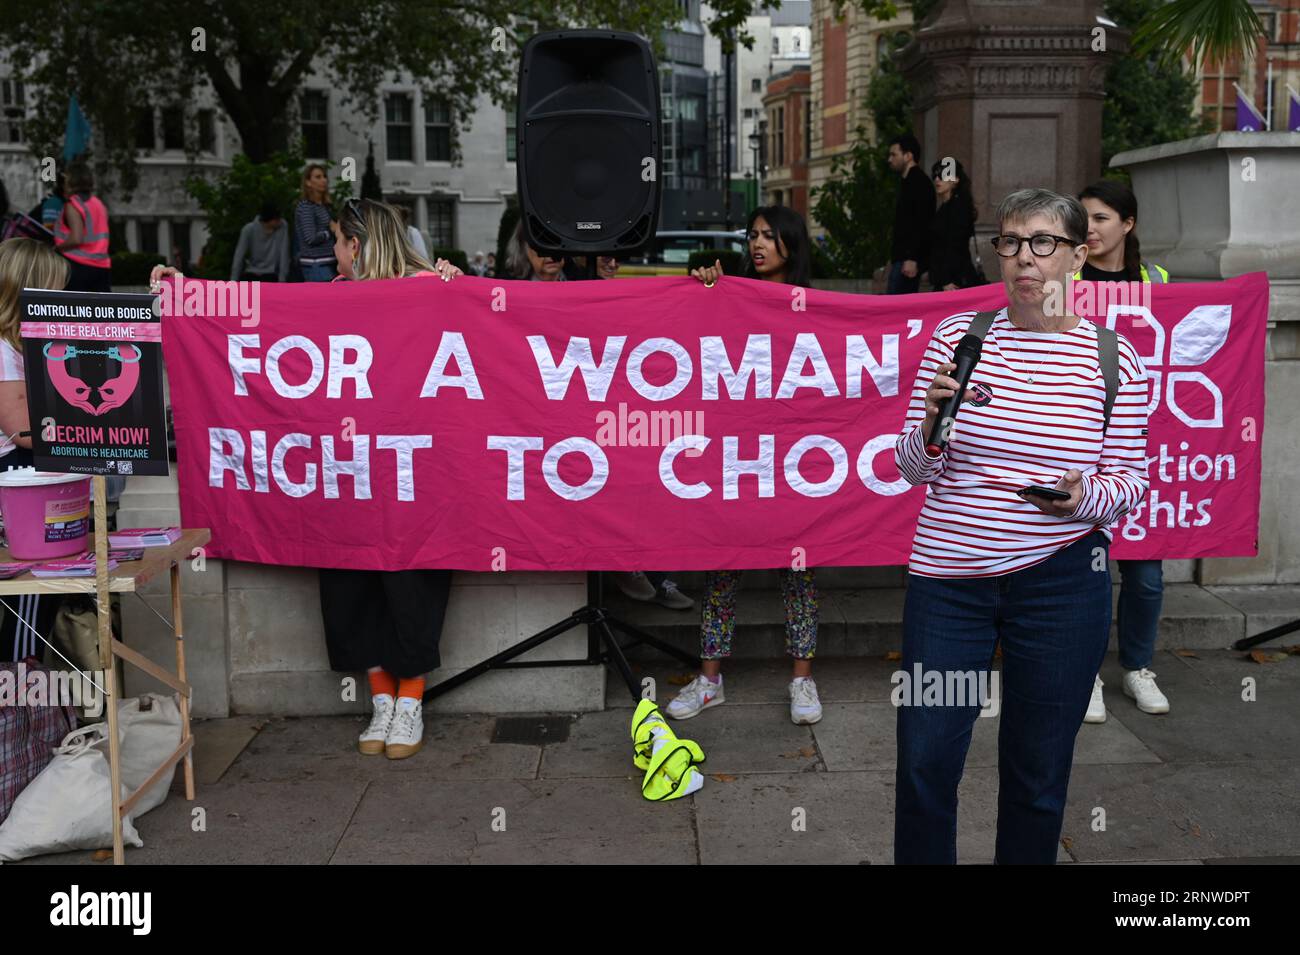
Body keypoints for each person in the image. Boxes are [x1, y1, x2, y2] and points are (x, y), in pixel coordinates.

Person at [892, 188, 1151, 864]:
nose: (1022, 258)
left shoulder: (1113, 359)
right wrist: (927, 426)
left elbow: (1128, 482)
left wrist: (1082, 496)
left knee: (1038, 776)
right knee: (925, 760)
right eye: (1009, 242)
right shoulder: (959, 337)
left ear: (1078, 254)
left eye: (1042, 242)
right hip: (949, 588)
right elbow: (912, 468)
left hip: (1062, 589)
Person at [152, 200, 463, 758]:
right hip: (343, 475)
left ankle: (412, 699)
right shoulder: (330, 299)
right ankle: (381, 699)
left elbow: (492, 323)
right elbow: (258, 311)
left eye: (340, 242)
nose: (333, 254)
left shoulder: (431, 289)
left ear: (361, 246)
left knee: (411, 583)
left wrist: (455, 284)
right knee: (349, 581)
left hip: (411, 477)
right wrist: (185, 292)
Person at [664, 205, 822, 725]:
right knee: (721, 563)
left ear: (791, 245)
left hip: (793, 457)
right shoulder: (725, 294)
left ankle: (802, 681)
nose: (758, 244)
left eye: (769, 236)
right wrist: (704, 287)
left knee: (799, 570)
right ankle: (710, 679)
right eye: (752, 235)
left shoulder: (816, 306)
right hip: (734, 457)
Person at [1076, 179, 1170, 722]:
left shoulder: (1155, 280)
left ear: (1128, 225)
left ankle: (1138, 668)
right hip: (1080, 440)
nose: (1089, 227)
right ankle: (1083, 673)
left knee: (1145, 570)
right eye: (1083, 217)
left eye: (1102, 218)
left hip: (1141, 439)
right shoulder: (1064, 280)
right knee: (1085, 568)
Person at [0, 238, 72, 662]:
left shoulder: (19, 345)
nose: (60, 299)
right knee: (35, 584)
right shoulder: (4, 349)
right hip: (19, 476)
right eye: (54, 289)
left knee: (41, 589)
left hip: (26, 471)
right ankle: (19, 689)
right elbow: (23, 430)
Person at [886, 133, 934, 294]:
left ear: (908, 156)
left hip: (908, 261)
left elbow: (922, 223)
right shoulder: (908, 183)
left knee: (897, 310)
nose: (889, 159)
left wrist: (912, 258)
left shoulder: (920, 183)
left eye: (894, 154)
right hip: (903, 259)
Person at [53, 162, 111, 292]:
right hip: (101, 266)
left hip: (77, 266)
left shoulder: (73, 204)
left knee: (73, 310)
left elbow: (76, 239)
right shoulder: (98, 204)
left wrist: (56, 248)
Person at [927, 157, 982, 291]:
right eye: (935, 175)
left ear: (956, 179)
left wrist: (946, 279)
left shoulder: (959, 207)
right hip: (946, 278)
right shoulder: (945, 208)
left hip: (954, 280)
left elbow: (955, 245)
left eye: (943, 175)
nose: (937, 179)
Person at [294, 164, 336, 281]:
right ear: (308, 182)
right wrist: (329, 231)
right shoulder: (306, 207)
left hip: (328, 262)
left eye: (324, 176)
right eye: (318, 177)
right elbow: (310, 238)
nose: (324, 180)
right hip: (316, 264)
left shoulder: (324, 206)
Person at [231, 202, 289, 282]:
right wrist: (233, 281)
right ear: (268, 220)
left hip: (271, 272)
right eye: (276, 219)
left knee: (269, 282)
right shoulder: (248, 230)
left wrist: (282, 281)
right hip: (252, 271)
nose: (279, 221)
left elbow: (284, 254)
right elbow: (239, 256)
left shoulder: (282, 226)